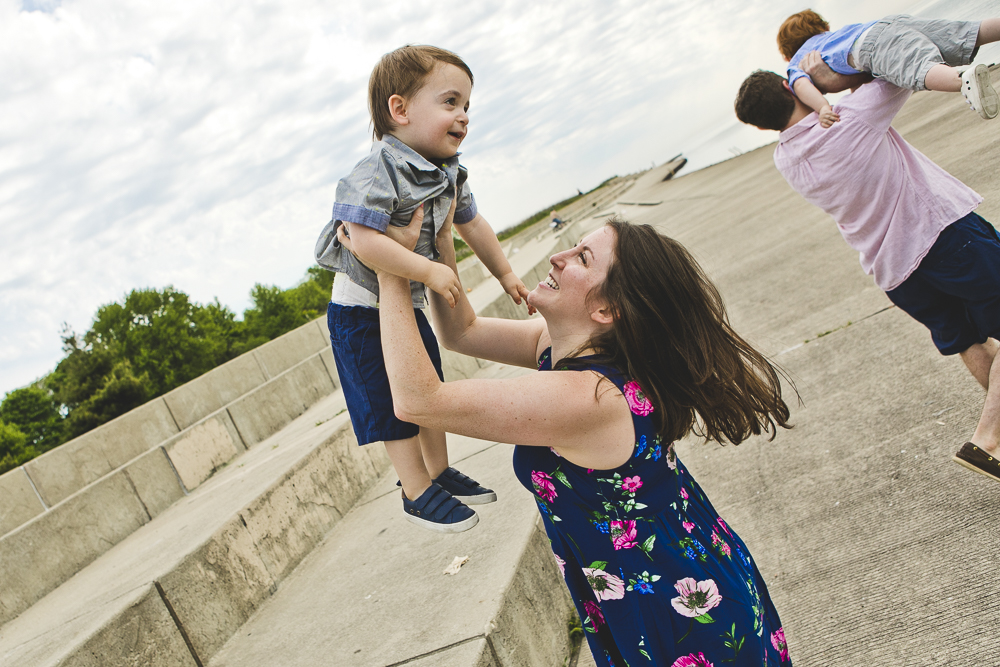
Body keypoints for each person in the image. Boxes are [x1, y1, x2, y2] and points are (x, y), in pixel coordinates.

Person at [344, 201, 795, 665]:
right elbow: (463, 333)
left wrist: (389, 270)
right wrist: (437, 243)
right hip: (661, 579)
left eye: (582, 257)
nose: (560, 256)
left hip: (676, 607)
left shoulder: (586, 398)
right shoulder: (565, 347)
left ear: (606, 309)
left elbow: (418, 402)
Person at [734, 53, 1000, 485]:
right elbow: (898, 68)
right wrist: (825, 75)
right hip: (942, 238)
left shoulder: (787, 159)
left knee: (970, 340)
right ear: (790, 88)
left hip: (895, 272)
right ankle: (988, 439)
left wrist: (810, 89)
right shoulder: (850, 118)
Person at [314, 45, 530, 533]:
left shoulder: (451, 172)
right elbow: (363, 239)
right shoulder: (378, 170)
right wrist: (427, 270)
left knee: (428, 386)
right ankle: (415, 489)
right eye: (450, 102)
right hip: (361, 311)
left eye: (468, 106)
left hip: (403, 305)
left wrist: (506, 275)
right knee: (393, 402)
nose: (464, 117)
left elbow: (474, 225)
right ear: (400, 109)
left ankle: (438, 472)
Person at [777, 10, 1000, 126]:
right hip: (886, 23)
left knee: (919, 67)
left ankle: (961, 79)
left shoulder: (799, 61)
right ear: (823, 27)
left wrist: (823, 107)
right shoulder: (832, 36)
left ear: (787, 54)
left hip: (870, 45)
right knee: (963, 33)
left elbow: (801, 83)